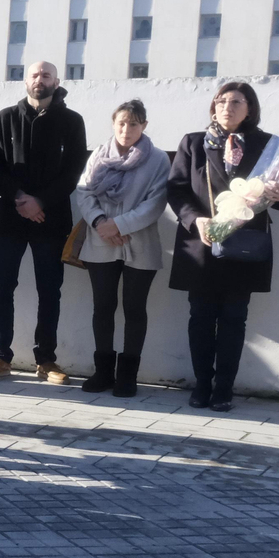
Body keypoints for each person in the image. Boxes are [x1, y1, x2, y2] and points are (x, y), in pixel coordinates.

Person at [166, 81, 279, 412]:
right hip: (202, 244)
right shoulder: (194, 143)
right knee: (200, 317)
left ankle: (224, 389)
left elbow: (277, 193)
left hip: (245, 245)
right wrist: (197, 220)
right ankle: (202, 384)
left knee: (234, 318)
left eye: (235, 102)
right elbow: (176, 189)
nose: (226, 107)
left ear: (250, 108)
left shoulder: (269, 146)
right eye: (221, 101)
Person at [0, 61, 89, 384]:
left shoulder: (72, 121)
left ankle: (46, 360)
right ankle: (1, 356)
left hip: (52, 219)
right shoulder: (5, 118)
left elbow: (74, 171)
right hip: (10, 218)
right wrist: (20, 198)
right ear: (25, 81)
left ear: (57, 81)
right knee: (3, 288)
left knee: (50, 291)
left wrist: (40, 202)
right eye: (35, 75)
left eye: (46, 75)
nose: (40, 80)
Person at [75, 99, 170, 399]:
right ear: (113, 124)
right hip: (100, 240)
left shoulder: (158, 159)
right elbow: (84, 192)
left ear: (144, 125)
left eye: (133, 124)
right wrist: (100, 222)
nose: (126, 130)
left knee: (134, 308)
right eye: (121, 123)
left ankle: (128, 376)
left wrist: (119, 225)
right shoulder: (99, 155)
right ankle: (103, 371)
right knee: (103, 307)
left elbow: (156, 203)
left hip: (139, 242)